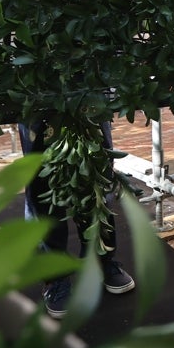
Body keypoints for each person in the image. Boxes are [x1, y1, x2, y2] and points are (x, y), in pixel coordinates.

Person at [18, 119, 136, 319]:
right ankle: (54, 277)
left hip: (89, 97)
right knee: (42, 184)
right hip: (38, 101)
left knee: (97, 174)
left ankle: (101, 258)